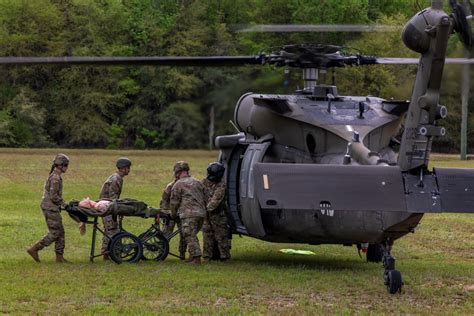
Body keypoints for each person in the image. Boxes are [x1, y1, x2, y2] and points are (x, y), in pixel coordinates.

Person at [27, 153, 70, 263]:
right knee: (55, 233)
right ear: (60, 165)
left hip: (51, 207)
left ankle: (59, 257)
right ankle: (34, 249)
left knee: (60, 232)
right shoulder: (55, 178)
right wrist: (65, 205)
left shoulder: (56, 176)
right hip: (50, 207)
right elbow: (54, 196)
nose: (67, 167)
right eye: (66, 165)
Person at [169, 161, 206, 265]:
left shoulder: (178, 184)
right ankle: (192, 256)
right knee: (192, 235)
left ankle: (196, 258)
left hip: (188, 214)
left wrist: (173, 214)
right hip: (201, 214)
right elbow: (206, 197)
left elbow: (174, 202)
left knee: (189, 235)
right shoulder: (198, 182)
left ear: (177, 172)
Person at [98, 157, 131, 260]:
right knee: (112, 231)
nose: (129, 170)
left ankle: (107, 253)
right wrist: (118, 211)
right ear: (123, 168)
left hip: (106, 206)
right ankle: (108, 255)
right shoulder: (116, 179)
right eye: (128, 168)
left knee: (109, 230)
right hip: (107, 207)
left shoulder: (116, 177)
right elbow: (113, 199)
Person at [202, 162, 231, 262]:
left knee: (221, 236)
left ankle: (224, 257)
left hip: (218, 214)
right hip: (207, 214)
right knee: (207, 235)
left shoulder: (221, 185)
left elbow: (215, 201)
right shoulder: (204, 182)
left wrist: (204, 209)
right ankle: (207, 257)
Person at [160, 177, 186, 260]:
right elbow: (164, 200)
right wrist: (165, 213)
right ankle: (161, 252)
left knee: (184, 234)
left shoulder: (185, 186)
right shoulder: (170, 186)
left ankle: (182, 253)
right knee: (167, 233)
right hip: (170, 214)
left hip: (181, 213)